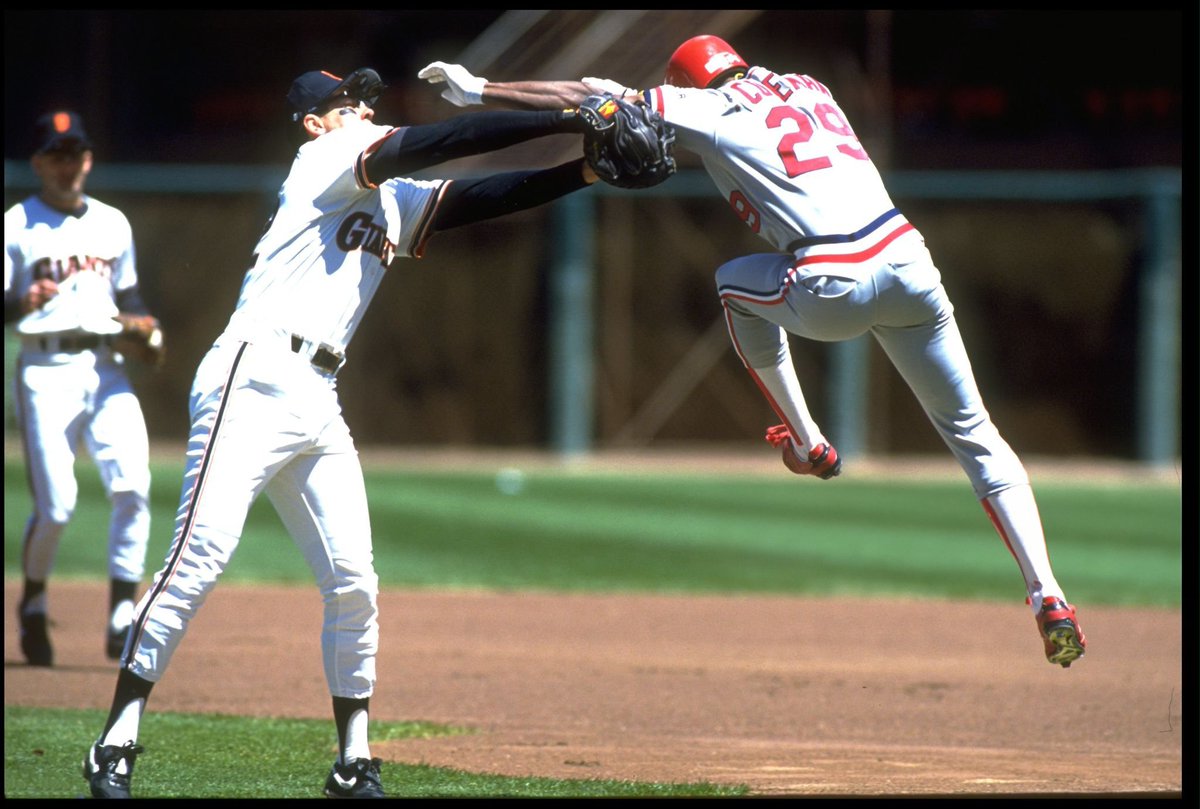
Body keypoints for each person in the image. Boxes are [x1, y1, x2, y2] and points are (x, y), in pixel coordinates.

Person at [418, 35, 1087, 669]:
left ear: (686, 82)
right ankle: (1047, 593)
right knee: (976, 434)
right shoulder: (809, 85)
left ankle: (808, 441)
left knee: (732, 286)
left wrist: (481, 90)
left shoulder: (708, 106)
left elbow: (591, 96)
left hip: (831, 279)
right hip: (910, 264)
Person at [80, 65, 603, 800]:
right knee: (198, 559)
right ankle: (114, 741)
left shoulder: (389, 197)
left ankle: (352, 761)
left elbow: (482, 197)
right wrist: (567, 117)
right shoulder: (323, 159)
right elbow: (446, 139)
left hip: (318, 395)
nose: (359, 107)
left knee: (354, 580)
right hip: (254, 375)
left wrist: (585, 169)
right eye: (343, 102)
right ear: (314, 123)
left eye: (363, 99)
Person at [4, 110, 162, 668]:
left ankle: (121, 612)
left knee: (134, 485)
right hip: (44, 368)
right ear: (38, 163)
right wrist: (18, 303)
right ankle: (33, 599)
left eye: (75, 153)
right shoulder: (16, 225)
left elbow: (130, 298)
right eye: (57, 154)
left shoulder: (113, 223)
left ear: (89, 160)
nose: (67, 164)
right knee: (57, 506)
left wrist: (145, 327)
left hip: (107, 365)